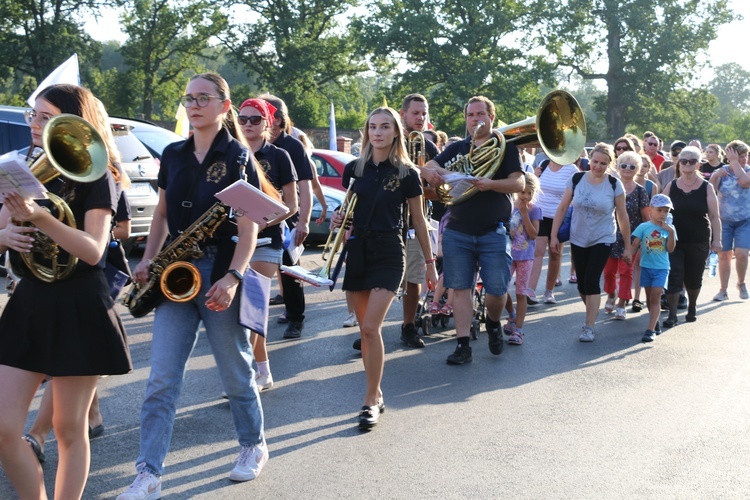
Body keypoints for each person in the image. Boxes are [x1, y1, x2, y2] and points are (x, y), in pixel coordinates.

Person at [118, 73, 272, 499]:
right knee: (162, 380)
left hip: (219, 270)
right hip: (175, 273)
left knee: (236, 371)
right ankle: (148, 473)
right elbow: (163, 215)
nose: (194, 104)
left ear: (225, 105)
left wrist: (233, 276)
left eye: (204, 98)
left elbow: (248, 227)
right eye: (189, 98)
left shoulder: (238, 155)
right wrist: (149, 258)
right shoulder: (172, 153)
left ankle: (253, 445)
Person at [0, 83, 132, 499]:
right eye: (32, 115)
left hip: (80, 302)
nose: (35, 124)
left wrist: (39, 218)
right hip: (32, 299)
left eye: (45, 116)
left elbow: (93, 251)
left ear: (70, 123)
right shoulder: (23, 167)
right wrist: (7, 235)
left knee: (69, 428)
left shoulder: (100, 173)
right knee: (4, 428)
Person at [332, 107, 437, 429]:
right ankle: (376, 394)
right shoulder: (354, 169)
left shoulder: (408, 173)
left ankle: (368, 399)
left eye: (385, 126)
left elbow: (419, 220)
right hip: (359, 249)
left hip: (391, 250)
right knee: (366, 331)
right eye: (373, 127)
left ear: (395, 132)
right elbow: (348, 209)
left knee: (370, 328)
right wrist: (340, 218)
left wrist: (431, 264)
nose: (377, 132)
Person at [421, 95, 524, 364]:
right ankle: (463, 344)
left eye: (481, 114)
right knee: (460, 288)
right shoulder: (459, 148)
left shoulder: (504, 147)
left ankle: (492, 323)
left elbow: (519, 184)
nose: (476, 120)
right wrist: (438, 173)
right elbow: (430, 166)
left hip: (493, 229)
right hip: (458, 228)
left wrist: (490, 184)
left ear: (491, 117)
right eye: (470, 115)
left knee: (497, 290)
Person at [238, 97, 298, 391]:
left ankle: (247, 374)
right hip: (233, 242)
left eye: (255, 119)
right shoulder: (231, 154)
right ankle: (262, 370)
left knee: (253, 308)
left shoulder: (279, 156)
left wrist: (261, 223)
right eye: (243, 119)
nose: (248, 125)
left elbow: (292, 205)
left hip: (266, 240)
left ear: (268, 123)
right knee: (240, 314)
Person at [550, 143, 633, 342]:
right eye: (595, 162)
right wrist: (553, 236)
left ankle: (588, 326)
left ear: (609, 164)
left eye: (603, 163)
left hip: (602, 237)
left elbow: (622, 216)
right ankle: (592, 311)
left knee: (591, 280)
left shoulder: (614, 184)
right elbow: (562, 208)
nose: (597, 166)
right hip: (578, 236)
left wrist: (628, 246)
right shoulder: (577, 179)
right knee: (581, 285)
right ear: (590, 161)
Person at [259, 93, 315, 339]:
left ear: (279, 120)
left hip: (285, 219)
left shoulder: (292, 147)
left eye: (262, 116)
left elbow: (305, 187)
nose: (252, 123)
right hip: (252, 219)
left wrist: (303, 221)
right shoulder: (246, 144)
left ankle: (296, 319)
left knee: (288, 270)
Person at [661, 146, 722, 327]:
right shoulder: (671, 186)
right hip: (674, 240)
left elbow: (714, 216)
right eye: (684, 160)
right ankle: (672, 315)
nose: (687, 164)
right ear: (679, 163)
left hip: (699, 239)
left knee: (694, 277)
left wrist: (717, 240)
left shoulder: (707, 187)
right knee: (674, 276)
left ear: (698, 164)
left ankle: (692, 307)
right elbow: (659, 211)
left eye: (692, 161)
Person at [397, 93, 440, 348]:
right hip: (389, 219)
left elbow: (437, 185)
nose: (421, 118)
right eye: (415, 113)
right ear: (403, 114)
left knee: (413, 277)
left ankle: (409, 325)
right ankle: (370, 329)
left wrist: (431, 182)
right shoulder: (392, 138)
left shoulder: (429, 146)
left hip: (416, 221)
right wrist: (420, 170)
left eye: (424, 113)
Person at [602, 152, 650, 321]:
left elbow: (646, 217)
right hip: (609, 235)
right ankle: (611, 293)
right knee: (608, 272)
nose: (627, 169)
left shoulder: (640, 191)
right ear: (617, 167)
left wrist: (646, 239)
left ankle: (622, 304)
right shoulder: (609, 186)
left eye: (632, 166)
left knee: (626, 271)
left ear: (637, 169)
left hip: (631, 238)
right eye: (623, 165)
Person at [527, 159, 580, 304]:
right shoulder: (544, 164)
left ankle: (549, 292)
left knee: (555, 253)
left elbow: (576, 194)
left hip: (559, 216)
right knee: (538, 251)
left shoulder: (571, 169)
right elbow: (531, 187)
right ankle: (530, 290)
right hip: (540, 214)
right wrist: (534, 176)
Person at [630, 194, 677, 342]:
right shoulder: (644, 227)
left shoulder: (670, 229)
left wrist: (671, 232)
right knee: (650, 298)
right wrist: (627, 256)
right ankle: (654, 322)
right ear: (651, 210)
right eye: (660, 210)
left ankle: (650, 330)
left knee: (656, 296)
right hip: (646, 266)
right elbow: (634, 245)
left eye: (666, 211)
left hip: (662, 268)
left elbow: (670, 249)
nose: (663, 214)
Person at [503, 172, 542, 345]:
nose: (525, 196)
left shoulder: (534, 210)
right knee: (501, 289)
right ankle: (512, 315)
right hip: (508, 254)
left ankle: (518, 331)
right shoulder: (508, 207)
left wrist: (525, 214)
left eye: (529, 193)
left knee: (521, 293)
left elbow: (533, 235)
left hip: (525, 256)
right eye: (522, 192)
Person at [709, 140, 750, 301]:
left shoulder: (748, 171)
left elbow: (745, 182)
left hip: (745, 220)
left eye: (745, 156)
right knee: (724, 255)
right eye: (740, 156)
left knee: (742, 253)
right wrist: (714, 176)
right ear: (730, 156)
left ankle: (741, 283)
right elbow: (710, 191)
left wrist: (734, 162)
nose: (744, 159)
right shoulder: (723, 172)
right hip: (724, 220)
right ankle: (723, 290)